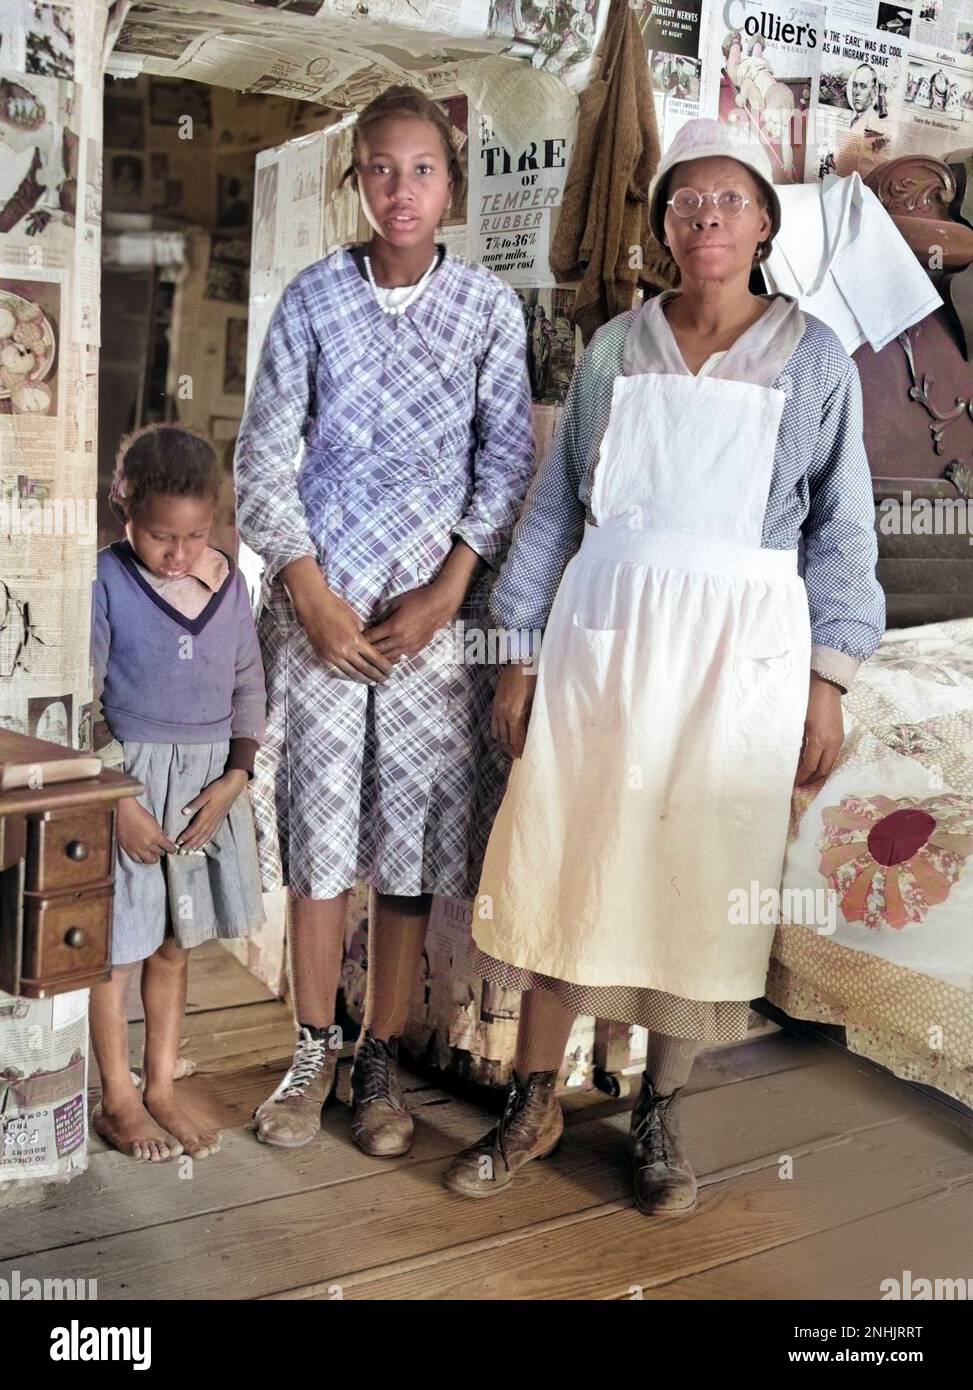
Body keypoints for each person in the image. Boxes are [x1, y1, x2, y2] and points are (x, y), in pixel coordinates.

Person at [443, 118, 885, 1214]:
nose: (705, 221)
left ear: (764, 222)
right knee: (569, 853)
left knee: (696, 873)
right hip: (605, 641)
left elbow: (842, 534)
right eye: (686, 204)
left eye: (728, 202)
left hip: (741, 657)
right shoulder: (613, 349)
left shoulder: (814, 359)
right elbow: (552, 513)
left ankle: (657, 1111)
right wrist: (517, 654)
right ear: (664, 227)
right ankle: (533, 1098)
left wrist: (827, 680)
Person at [234, 85, 535, 1155]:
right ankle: (311, 1044)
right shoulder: (313, 301)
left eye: (420, 170)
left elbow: (505, 458)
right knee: (320, 831)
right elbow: (264, 455)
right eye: (378, 169)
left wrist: (453, 584)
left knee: (409, 842)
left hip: (434, 624)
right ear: (353, 180)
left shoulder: (491, 313)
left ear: (451, 186)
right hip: (324, 614)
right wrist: (307, 590)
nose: (398, 190)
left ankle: (378, 1061)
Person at [89, 423, 267, 1162]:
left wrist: (236, 775)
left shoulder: (229, 583)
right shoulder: (104, 578)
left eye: (195, 535)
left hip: (203, 793)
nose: (180, 554)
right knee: (116, 951)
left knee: (172, 943)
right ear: (123, 508)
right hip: (127, 786)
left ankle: (161, 1083)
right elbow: (82, 691)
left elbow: (247, 682)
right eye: (162, 537)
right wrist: (119, 799)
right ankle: (119, 1099)